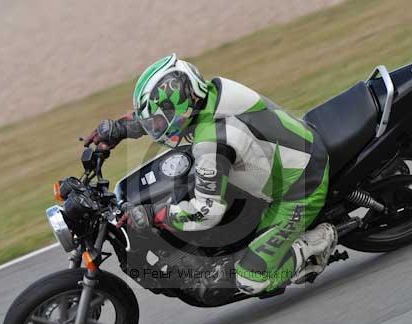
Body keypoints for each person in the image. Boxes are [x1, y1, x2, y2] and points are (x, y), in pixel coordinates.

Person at [84, 54, 337, 295]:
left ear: (180, 110)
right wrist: (120, 129)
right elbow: (166, 112)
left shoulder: (213, 141)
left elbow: (206, 212)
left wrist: (155, 214)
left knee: (251, 279)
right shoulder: (209, 93)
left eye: (158, 122)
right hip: (286, 152)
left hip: (300, 185)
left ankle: (314, 244)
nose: (155, 128)